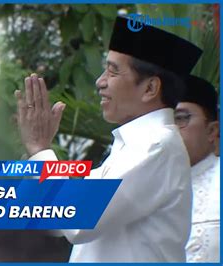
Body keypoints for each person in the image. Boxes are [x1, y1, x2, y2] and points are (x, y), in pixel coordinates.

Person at [15, 16, 202, 262]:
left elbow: (77, 218)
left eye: (113, 71)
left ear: (150, 89)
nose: (100, 82)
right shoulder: (136, 144)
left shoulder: (156, 145)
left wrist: (40, 149)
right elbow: (57, 222)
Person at [175, 75, 220, 262]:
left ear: (211, 131)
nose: (169, 129)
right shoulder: (134, 180)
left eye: (180, 118)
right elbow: (78, 226)